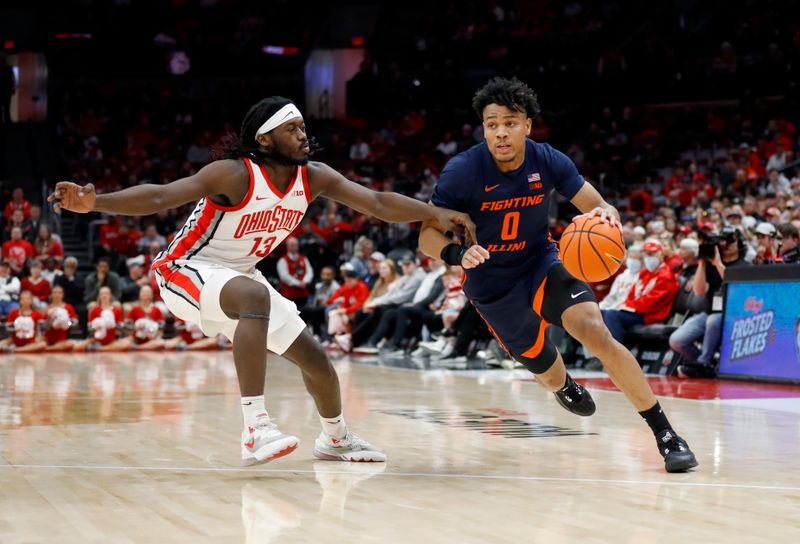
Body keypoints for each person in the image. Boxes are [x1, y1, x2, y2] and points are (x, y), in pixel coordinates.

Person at [50, 96, 474, 466]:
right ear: (265, 140)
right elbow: (162, 195)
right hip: (184, 267)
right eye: (292, 129)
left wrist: (431, 212)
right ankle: (256, 428)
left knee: (317, 362)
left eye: (303, 126)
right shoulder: (233, 174)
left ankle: (336, 438)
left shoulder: (314, 176)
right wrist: (95, 203)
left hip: (239, 276)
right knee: (255, 296)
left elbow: (378, 202)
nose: (303, 134)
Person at [418, 77, 697, 472]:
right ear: (483, 127)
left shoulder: (547, 159)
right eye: (492, 123)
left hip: (540, 263)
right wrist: (456, 253)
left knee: (597, 332)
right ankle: (563, 385)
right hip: (492, 285)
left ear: (528, 125)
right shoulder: (463, 170)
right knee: (547, 375)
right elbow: (427, 234)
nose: (501, 131)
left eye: (510, 122)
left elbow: (599, 205)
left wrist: (605, 217)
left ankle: (666, 435)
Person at [672, 226, 748, 378]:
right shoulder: (710, 264)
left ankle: (704, 362)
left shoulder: (744, 265)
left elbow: (735, 289)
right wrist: (702, 263)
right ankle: (706, 365)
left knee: (713, 320)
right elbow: (699, 291)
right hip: (708, 312)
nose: (725, 246)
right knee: (676, 340)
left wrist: (718, 264)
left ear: (739, 245)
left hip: (733, 314)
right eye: (723, 242)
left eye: (730, 242)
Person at [110, 285, 165, 351]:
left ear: (151, 295)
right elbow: (127, 326)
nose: (145, 294)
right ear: (139, 294)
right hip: (135, 338)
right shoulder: (135, 309)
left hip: (151, 339)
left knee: (161, 343)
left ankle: (138, 348)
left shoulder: (156, 310)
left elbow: (161, 328)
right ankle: (143, 347)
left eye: (147, 292)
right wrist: (136, 327)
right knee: (124, 343)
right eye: (143, 292)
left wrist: (152, 327)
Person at [73, 286, 124, 352]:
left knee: (125, 344)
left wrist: (112, 324)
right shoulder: (94, 310)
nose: (104, 295)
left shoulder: (117, 310)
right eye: (102, 294)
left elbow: (120, 330)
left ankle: (101, 349)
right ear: (99, 296)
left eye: (106, 293)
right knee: (77, 347)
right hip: (96, 340)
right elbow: (90, 329)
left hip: (112, 341)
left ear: (110, 296)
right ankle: (105, 348)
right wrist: (97, 326)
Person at [276, 236, 313, 307]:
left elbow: (309, 272)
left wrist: (305, 282)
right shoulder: (283, 260)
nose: (294, 247)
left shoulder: (304, 259)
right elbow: (284, 276)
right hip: (289, 294)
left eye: (295, 245)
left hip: (303, 293)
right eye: (291, 245)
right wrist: (298, 283)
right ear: (287, 247)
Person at [42, 285, 78, 351]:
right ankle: (51, 348)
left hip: (62, 340)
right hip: (48, 338)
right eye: (55, 293)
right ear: (51, 294)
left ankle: (48, 349)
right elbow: (43, 327)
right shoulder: (47, 308)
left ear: (62, 294)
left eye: (59, 293)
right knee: (40, 341)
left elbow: (75, 324)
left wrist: (66, 322)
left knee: (70, 344)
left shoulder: (68, 307)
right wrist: (50, 319)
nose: (57, 295)